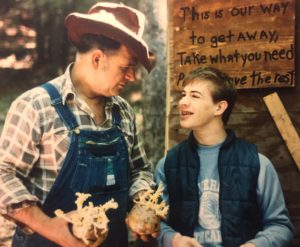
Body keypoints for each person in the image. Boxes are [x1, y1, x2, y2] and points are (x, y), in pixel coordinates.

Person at [0, 2, 156, 247]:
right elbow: (4, 174)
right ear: (96, 58)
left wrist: (142, 201)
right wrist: (50, 227)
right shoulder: (36, 106)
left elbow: (140, 169)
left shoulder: (122, 111)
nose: (132, 77)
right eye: (126, 67)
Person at [155, 67, 294, 247]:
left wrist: (255, 245)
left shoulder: (258, 164)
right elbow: (154, 224)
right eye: (183, 94)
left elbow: (282, 227)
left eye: (194, 96)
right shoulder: (168, 164)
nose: (182, 102)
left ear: (219, 107)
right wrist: (173, 240)